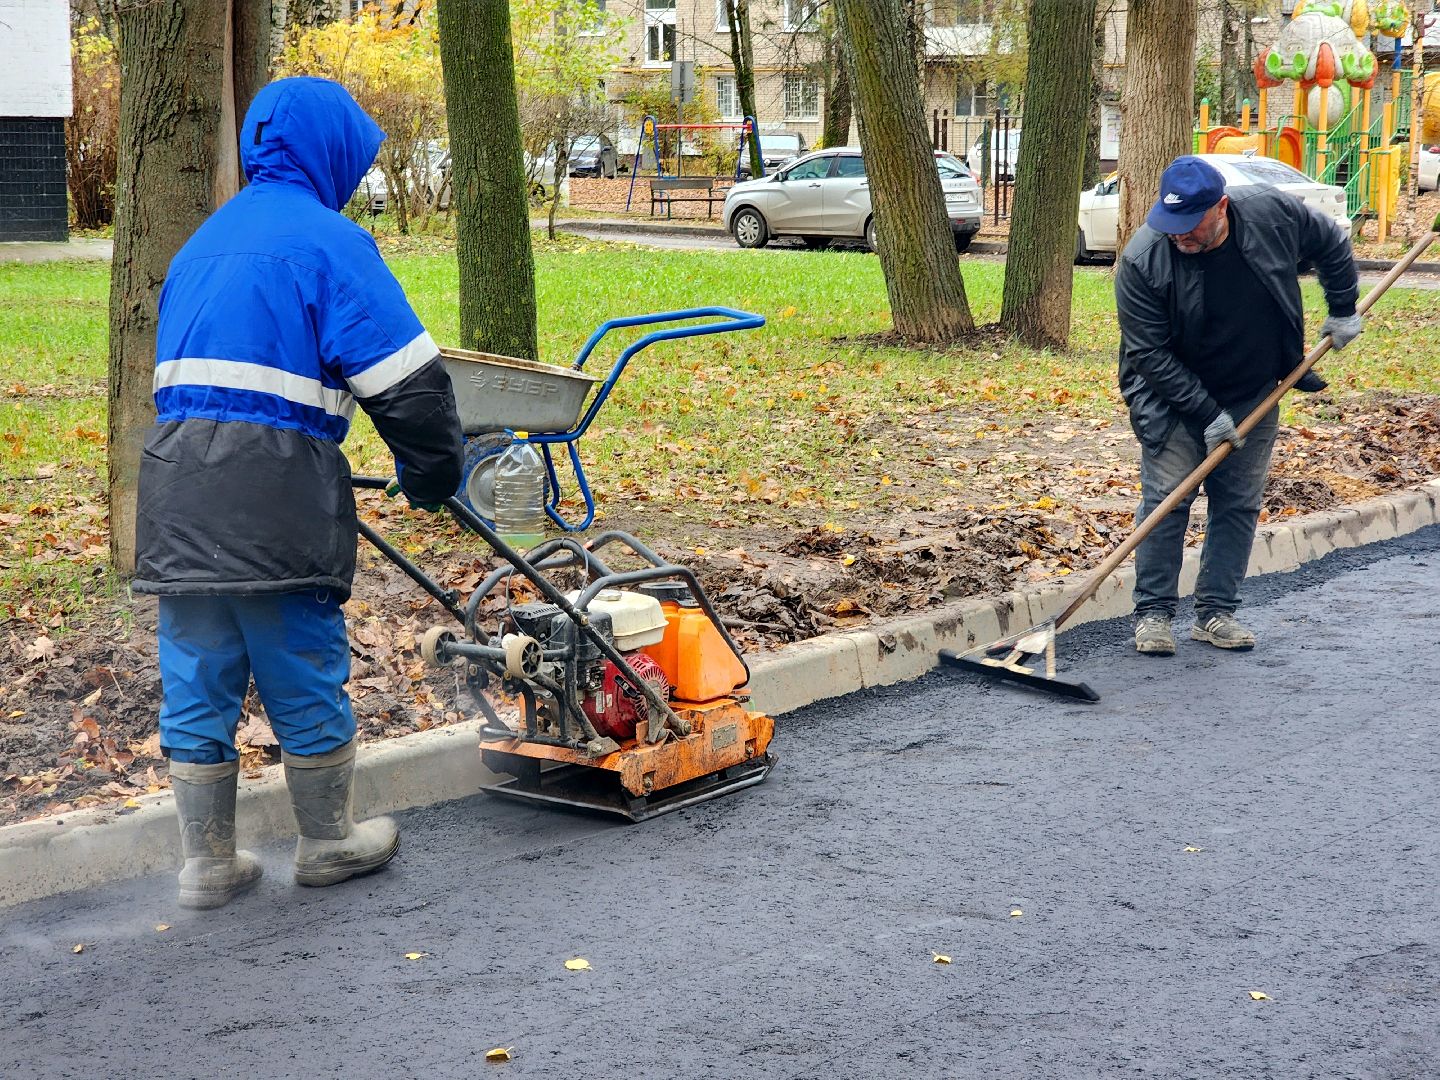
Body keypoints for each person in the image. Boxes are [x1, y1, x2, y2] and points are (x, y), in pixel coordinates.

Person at [132, 77, 464, 909]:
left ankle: (207, 863)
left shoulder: (197, 246)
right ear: (331, 153)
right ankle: (327, 841)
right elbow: (408, 386)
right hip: (275, 492)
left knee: (199, 667)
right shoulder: (330, 243)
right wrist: (433, 476)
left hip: (176, 489)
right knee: (298, 658)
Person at [1116, 155, 1360, 657]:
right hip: (1172, 398)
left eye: (1190, 226)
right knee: (1167, 503)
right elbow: (1147, 354)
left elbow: (1332, 244)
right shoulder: (1143, 259)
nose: (1178, 235)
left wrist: (1342, 309)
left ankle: (1215, 613)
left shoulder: (1270, 214)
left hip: (1254, 388)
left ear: (1221, 207)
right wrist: (1207, 413)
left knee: (1238, 503)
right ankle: (1153, 615)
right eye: (1170, 223)